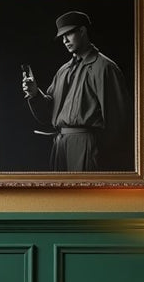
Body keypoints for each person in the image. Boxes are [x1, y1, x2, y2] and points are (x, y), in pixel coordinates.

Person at [21, 10, 131, 172]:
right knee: (60, 196)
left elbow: (119, 120)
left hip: (87, 146)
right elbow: (48, 113)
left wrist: (99, 151)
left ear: (82, 31)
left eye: (69, 34)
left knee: (85, 196)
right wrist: (35, 93)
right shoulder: (63, 70)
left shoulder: (105, 68)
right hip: (60, 146)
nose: (65, 40)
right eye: (62, 37)